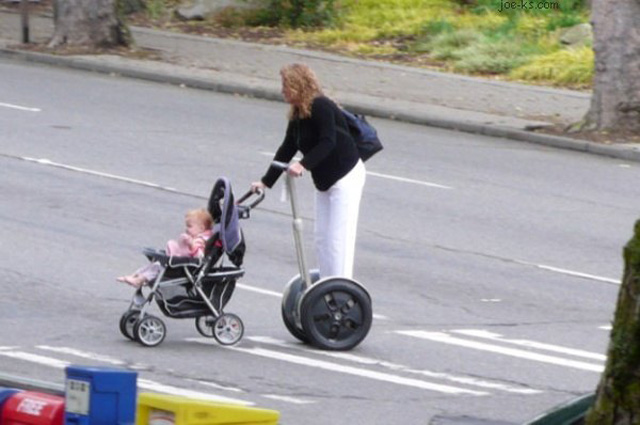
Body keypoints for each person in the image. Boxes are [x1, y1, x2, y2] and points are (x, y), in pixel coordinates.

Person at [251, 63, 366, 279]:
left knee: (339, 238)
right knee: (322, 238)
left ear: (298, 85)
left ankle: (341, 286)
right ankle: (326, 283)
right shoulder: (297, 115)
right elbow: (287, 148)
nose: (282, 90)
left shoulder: (320, 106)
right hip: (325, 181)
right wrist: (265, 182)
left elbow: (328, 141)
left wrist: (303, 164)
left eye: (286, 85)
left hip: (346, 177)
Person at [117, 208, 214, 288]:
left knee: (157, 267)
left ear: (201, 228)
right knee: (155, 264)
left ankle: (139, 280)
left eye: (189, 226)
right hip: (183, 262)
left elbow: (200, 255)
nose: (186, 229)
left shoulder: (200, 240)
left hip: (185, 266)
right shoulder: (198, 237)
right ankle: (135, 276)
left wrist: (191, 244)